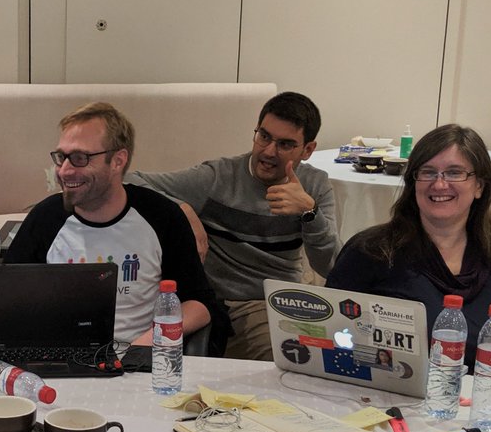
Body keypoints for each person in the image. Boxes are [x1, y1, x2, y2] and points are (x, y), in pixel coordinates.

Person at [327, 124, 491, 380]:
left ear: (479, 186)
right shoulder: (371, 252)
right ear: (413, 183)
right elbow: (330, 331)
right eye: (427, 172)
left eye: (454, 173)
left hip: (485, 397)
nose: (439, 184)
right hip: (392, 394)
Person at [127, 91, 339, 360]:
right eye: (264, 137)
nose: (269, 151)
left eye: (285, 144)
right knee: (289, 359)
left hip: (282, 300)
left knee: (330, 358)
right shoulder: (219, 177)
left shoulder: (315, 185)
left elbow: (330, 266)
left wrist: (310, 213)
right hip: (228, 302)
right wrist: (182, 209)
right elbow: (129, 180)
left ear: (307, 150)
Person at [5, 101, 219, 347]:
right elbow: (8, 303)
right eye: (61, 157)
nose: (64, 171)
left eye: (79, 158)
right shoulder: (45, 219)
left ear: (118, 161)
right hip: (60, 355)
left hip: (137, 354)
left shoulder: (161, 216)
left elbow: (199, 304)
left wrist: (145, 345)